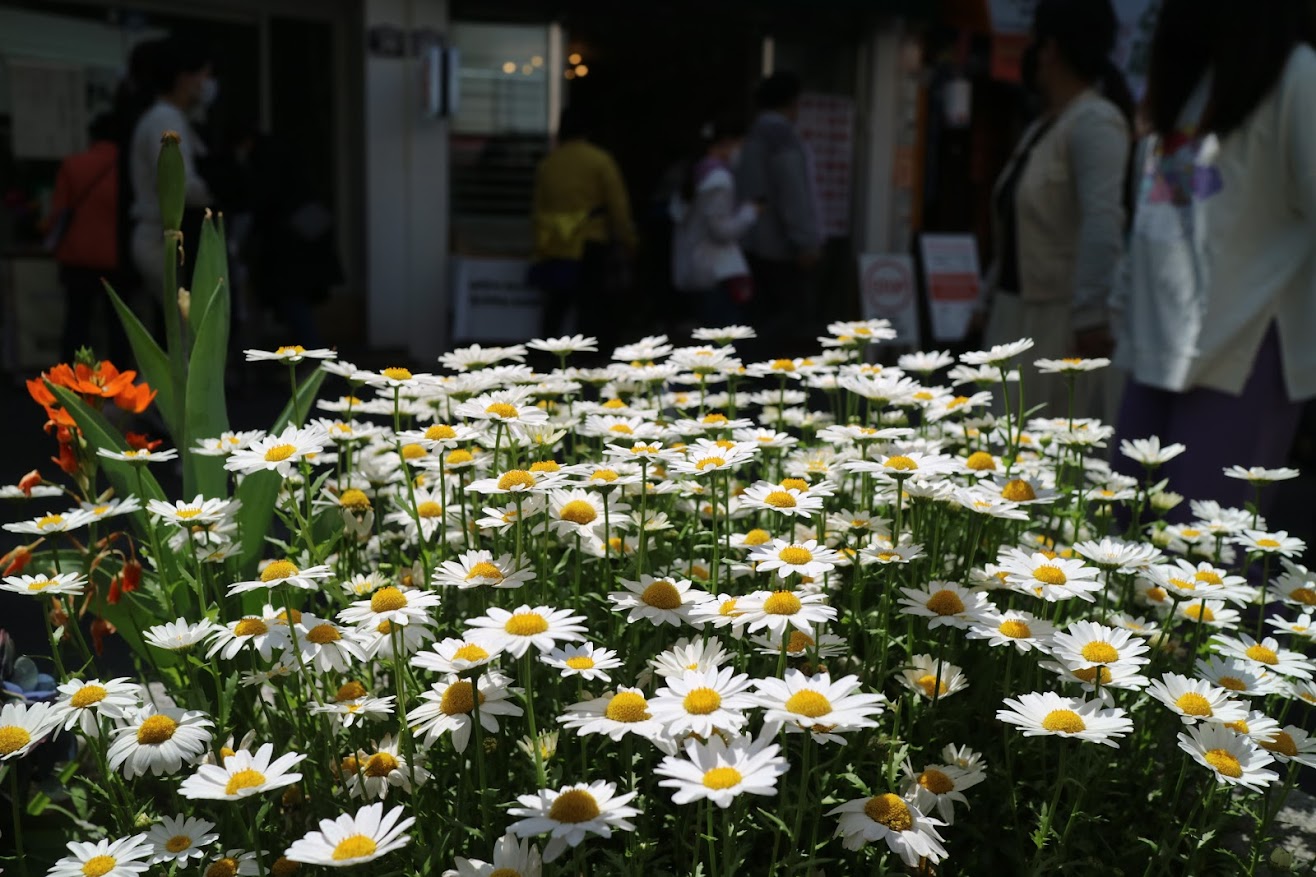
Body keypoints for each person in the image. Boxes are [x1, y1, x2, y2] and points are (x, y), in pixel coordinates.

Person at [1110, 0, 1316, 515]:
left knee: (1206, 562)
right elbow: (1153, 216)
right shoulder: (1189, 79)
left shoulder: (1296, 75)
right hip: (1153, 349)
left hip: (1243, 353)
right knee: (1120, 541)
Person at [980, 0, 1133, 422]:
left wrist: (1090, 317)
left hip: (1058, 325)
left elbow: (1104, 221)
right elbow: (1015, 223)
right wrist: (987, 293)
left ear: (1049, 49)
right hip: (1013, 315)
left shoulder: (1095, 122)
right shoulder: (1045, 125)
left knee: (1044, 457)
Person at [530, 105, 636, 355]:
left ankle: (548, 357)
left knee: (556, 305)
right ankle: (589, 361)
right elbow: (618, 207)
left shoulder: (548, 163)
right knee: (592, 305)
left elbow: (537, 208)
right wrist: (629, 241)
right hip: (591, 241)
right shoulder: (599, 160)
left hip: (557, 242)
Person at [736, 72, 821, 349]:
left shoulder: (751, 136)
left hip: (750, 241)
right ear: (792, 102)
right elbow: (792, 192)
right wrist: (806, 241)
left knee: (760, 316)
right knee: (788, 321)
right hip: (781, 244)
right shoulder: (782, 138)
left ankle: (752, 376)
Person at [128, 37, 214, 303]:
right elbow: (180, 187)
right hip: (160, 240)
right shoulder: (165, 119)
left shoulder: (170, 117)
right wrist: (218, 191)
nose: (205, 84)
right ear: (183, 78)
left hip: (163, 240)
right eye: (202, 75)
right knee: (183, 334)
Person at [46, 114, 131, 364]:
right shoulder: (128, 168)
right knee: (118, 323)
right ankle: (118, 382)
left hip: (77, 254)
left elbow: (58, 211)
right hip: (116, 255)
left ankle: (71, 379)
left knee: (77, 320)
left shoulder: (73, 164)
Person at [669, 114, 759, 328]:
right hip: (717, 273)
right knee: (724, 338)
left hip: (696, 268)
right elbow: (721, 231)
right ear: (728, 143)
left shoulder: (697, 171)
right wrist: (750, 212)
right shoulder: (719, 179)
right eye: (740, 144)